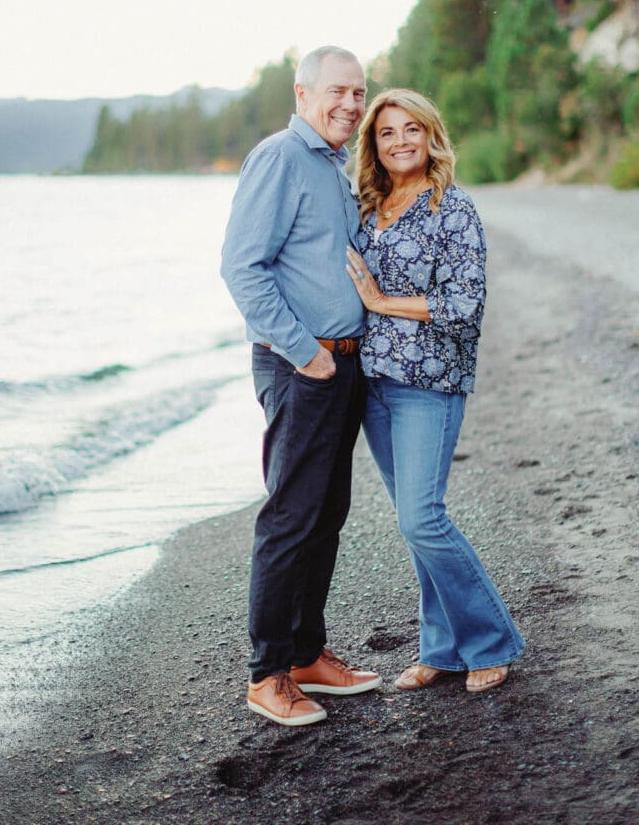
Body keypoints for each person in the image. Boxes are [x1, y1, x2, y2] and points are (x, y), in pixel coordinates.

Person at [220, 45, 381, 727]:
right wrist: (304, 352)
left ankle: (308, 653)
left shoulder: (332, 167)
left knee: (327, 512)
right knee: (291, 517)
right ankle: (268, 675)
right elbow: (241, 268)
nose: (350, 104)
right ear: (304, 92)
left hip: (342, 364)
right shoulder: (281, 158)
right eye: (338, 91)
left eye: (358, 93)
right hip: (302, 366)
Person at [345, 88, 525, 694]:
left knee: (423, 517)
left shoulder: (454, 207)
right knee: (410, 520)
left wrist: (379, 302)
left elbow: (464, 307)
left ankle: (491, 641)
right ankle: (441, 647)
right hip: (374, 386)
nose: (400, 141)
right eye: (387, 132)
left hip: (429, 384)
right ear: (374, 143)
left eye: (411, 130)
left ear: (430, 136)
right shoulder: (368, 207)